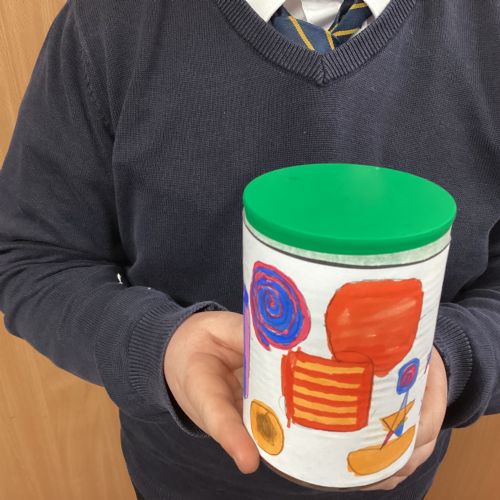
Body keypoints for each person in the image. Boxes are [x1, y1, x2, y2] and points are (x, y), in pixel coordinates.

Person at [0, 0, 499, 498]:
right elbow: (32, 257)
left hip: (396, 473)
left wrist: (457, 357)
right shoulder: (108, 23)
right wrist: (159, 345)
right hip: (180, 478)